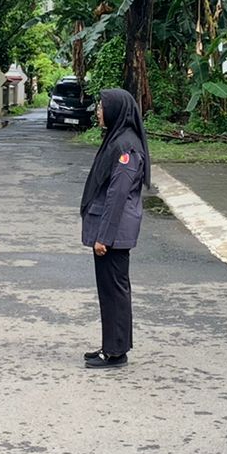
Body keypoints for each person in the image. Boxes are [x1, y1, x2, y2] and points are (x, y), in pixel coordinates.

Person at [78, 88, 150, 368]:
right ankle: (111, 345)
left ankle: (116, 352)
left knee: (115, 290)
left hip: (114, 234)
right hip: (112, 232)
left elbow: (117, 195)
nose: (98, 111)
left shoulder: (126, 147)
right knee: (109, 290)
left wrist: (103, 237)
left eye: (102, 107)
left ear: (116, 110)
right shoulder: (118, 139)